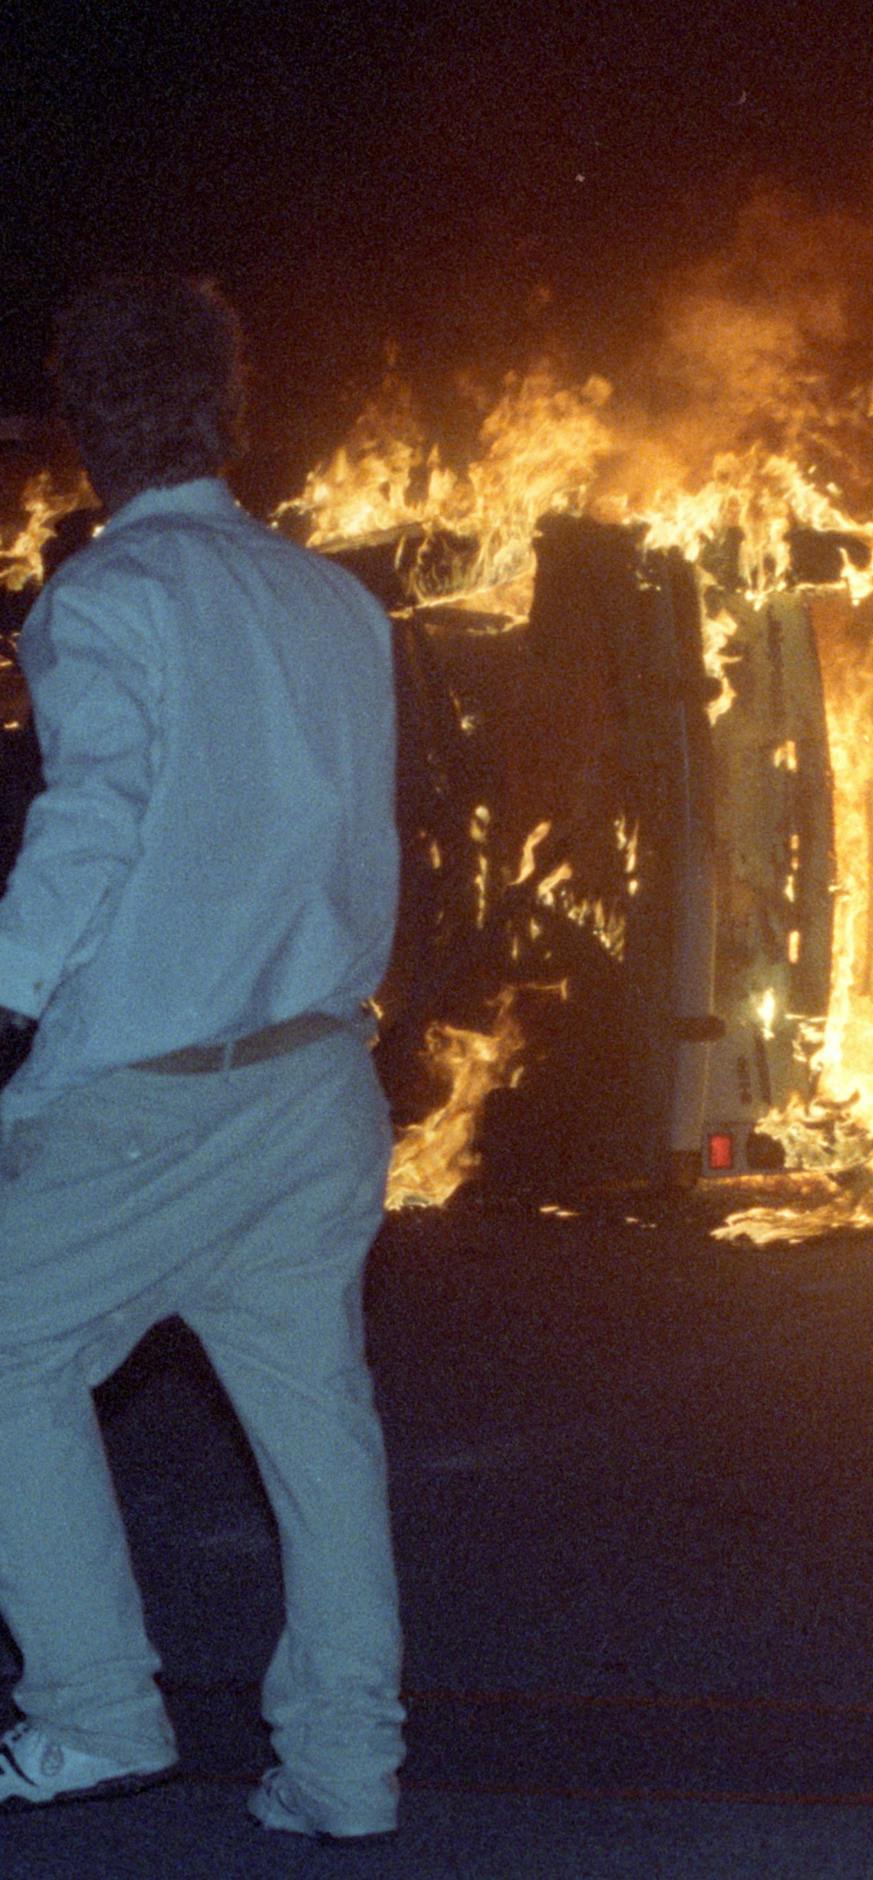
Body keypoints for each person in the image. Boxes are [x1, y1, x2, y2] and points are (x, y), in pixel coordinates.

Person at [0, 275, 405, 1841]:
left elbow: (92, 822)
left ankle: (94, 1711)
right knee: (322, 1429)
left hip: (157, 1098)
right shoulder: (333, 603)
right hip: (317, 1082)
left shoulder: (104, 603)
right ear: (229, 412)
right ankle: (351, 1769)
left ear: (89, 430)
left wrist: (8, 984)